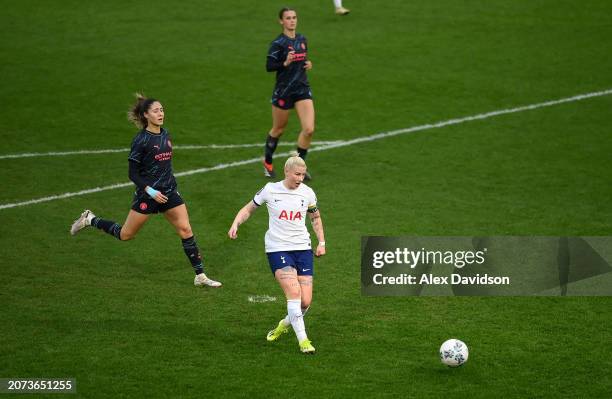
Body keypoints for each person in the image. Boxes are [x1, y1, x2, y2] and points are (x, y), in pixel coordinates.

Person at [70, 94, 222, 288]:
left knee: (186, 230)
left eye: (162, 109)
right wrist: (150, 191)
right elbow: (132, 173)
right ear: (146, 115)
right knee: (126, 235)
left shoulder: (165, 134)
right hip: (148, 195)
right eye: (156, 111)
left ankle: (200, 275)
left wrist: (167, 186)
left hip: (168, 192)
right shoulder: (140, 140)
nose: (161, 113)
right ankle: (90, 219)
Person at [228, 154, 326, 354]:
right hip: (278, 248)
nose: (300, 178)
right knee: (294, 292)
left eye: (303, 174)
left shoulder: (307, 193)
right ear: (286, 172)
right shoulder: (270, 190)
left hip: (302, 248)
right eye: (297, 174)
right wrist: (236, 222)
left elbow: (315, 218)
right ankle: (304, 341)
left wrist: (322, 242)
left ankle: (283, 324)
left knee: (305, 302)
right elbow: (249, 209)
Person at [263, 7, 315, 180]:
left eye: (294, 17)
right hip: (284, 91)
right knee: (278, 129)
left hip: (301, 88)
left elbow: (302, 59)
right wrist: (285, 62)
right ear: (281, 21)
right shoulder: (278, 44)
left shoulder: (302, 39)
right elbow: (269, 66)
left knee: (308, 129)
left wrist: (307, 63)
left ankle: (299, 166)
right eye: (288, 18)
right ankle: (268, 162)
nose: (292, 20)